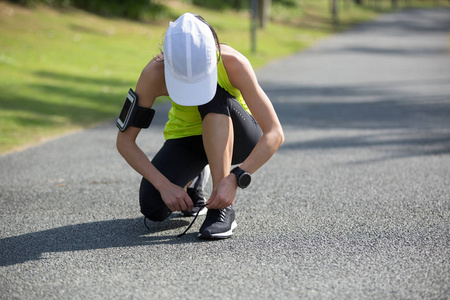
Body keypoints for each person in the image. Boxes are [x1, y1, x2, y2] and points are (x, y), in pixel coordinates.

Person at [116, 13, 284, 239]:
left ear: (213, 50)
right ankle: (195, 178)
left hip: (238, 137)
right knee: (153, 206)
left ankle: (221, 209)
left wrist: (235, 178)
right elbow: (125, 141)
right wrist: (165, 185)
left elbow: (275, 133)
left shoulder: (233, 62)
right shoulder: (154, 73)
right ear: (166, 58)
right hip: (189, 140)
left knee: (213, 98)